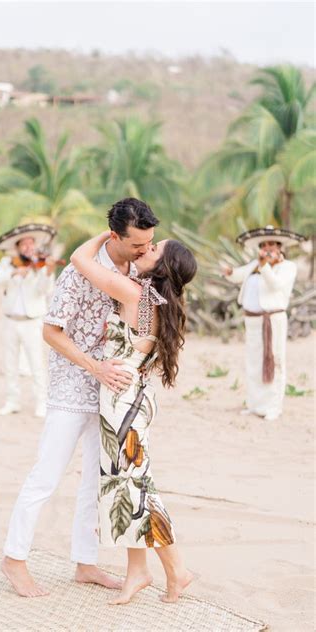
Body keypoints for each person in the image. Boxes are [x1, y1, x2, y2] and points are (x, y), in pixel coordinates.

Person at [1, 198, 159, 598]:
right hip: (74, 384)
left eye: (150, 243)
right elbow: (51, 332)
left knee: (96, 479)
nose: (145, 250)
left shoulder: (140, 274)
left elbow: (144, 328)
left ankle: (85, 563)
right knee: (47, 474)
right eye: (138, 244)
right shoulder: (78, 272)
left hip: (112, 392)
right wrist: (94, 367)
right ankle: (14, 559)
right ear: (114, 237)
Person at [70, 231, 197, 605]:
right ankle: (138, 571)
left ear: (163, 266)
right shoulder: (148, 296)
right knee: (126, 489)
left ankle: (177, 570)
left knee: (138, 491)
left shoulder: (138, 295)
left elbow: (80, 259)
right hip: (128, 400)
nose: (145, 249)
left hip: (124, 406)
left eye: (153, 248)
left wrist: (109, 236)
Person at [222, 225, 305, 421]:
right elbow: (238, 274)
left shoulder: (288, 267)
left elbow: (275, 284)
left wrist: (264, 265)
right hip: (252, 321)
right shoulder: (254, 264)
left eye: (272, 245)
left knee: (274, 361)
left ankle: (273, 407)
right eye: (264, 245)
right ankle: (254, 405)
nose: (268, 248)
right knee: (253, 363)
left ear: (280, 247)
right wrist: (228, 272)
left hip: (273, 320)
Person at [0, 230, 57, 418]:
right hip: (10, 319)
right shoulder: (7, 263)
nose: (29, 247)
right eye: (24, 245)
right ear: (17, 247)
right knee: (10, 364)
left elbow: (44, 290)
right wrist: (13, 273)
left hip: (31, 321)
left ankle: (41, 402)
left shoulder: (40, 264)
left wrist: (48, 272)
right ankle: (12, 401)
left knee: (36, 363)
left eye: (31, 244)